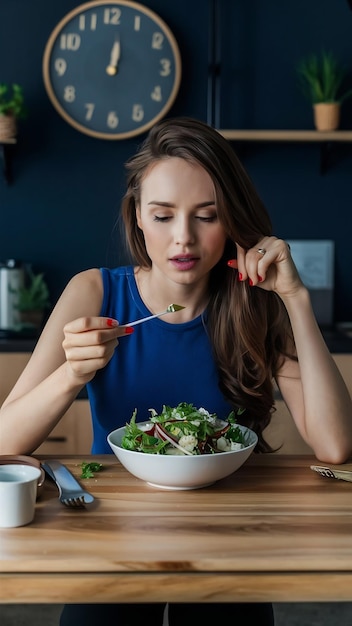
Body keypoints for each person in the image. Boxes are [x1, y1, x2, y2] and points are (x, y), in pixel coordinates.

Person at [1, 117, 351, 626]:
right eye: (163, 215)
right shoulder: (94, 293)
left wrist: (296, 299)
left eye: (206, 215)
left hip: (230, 535)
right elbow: (5, 439)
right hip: (108, 528)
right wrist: (71, 375)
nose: (183, 239)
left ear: (230, 220)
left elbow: (337, 446)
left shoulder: (256, 302)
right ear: (138, 217)